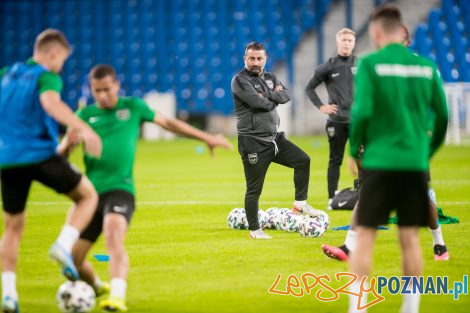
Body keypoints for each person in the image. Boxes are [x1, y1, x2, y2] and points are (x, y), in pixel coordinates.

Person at [57, 64, 232, 312]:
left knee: (113, 236)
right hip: (89, 196)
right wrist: (68, 146)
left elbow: (168, 123)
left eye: (107, 89)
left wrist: (207, 138)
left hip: (120, 189)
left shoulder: (133, 107)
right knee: (73, 259)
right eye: (97, 91)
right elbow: (59, 158)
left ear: (116, 85)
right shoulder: (83, 116)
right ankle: (96, 287)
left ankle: (117, 297)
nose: (103, 95)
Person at [346, 6, 448, 313]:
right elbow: (442, 116)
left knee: (364, 238)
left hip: (379, 162)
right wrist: (426, 152)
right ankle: (410, 308)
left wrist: (354, 150)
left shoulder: (370, 65)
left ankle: (358, 308)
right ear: (401, 32)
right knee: (410, 239)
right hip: (414, 163)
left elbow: (361, 112)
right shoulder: (427, 68)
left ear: (376, 33)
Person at [321, 24, 449, 263]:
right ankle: (348, 247)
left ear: (407, 42)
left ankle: (439, 243)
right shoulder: (407, 68)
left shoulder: (385, 66)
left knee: (422, 203)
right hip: (384, 148)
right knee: (366, 194)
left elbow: (437, 113)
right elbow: (366, 110)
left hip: (409, 149)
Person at [0, 29, 102, 313]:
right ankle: (63, 244)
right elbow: (50, 103)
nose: (61, 68)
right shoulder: (46, 76)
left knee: (12, 228)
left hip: (7, 160)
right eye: (62, 61)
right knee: (87, 196)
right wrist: (83, 127)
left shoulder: (6, 73)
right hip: (40, 155)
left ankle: (9, 295)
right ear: (54, 53)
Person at [231, 41, 321, 240]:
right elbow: (257, 102)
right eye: (252, 58)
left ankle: (300, 203)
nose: (256, 62)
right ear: (245, 59)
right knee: (254, 188)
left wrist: (268, 95)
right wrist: (273, 96)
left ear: (265, 59)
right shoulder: (239, 80)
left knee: (303, 160)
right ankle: (255, 230)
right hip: (253, 141)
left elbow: (287, 96)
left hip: (275, 139)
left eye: (259, 58)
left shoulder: (271, 77)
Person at [305, 28, 357, 210]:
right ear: (337, 43)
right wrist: (322, 106)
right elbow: (309, 88)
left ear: (354, 43)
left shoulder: (362, 65)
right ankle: (331, 198)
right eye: (343, 40)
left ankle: (364, 195)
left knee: (362, 158)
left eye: (350, 40)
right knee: (335, 159)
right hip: (336, 121)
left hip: (357, 122)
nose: (346, 43)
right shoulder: (328, 66)